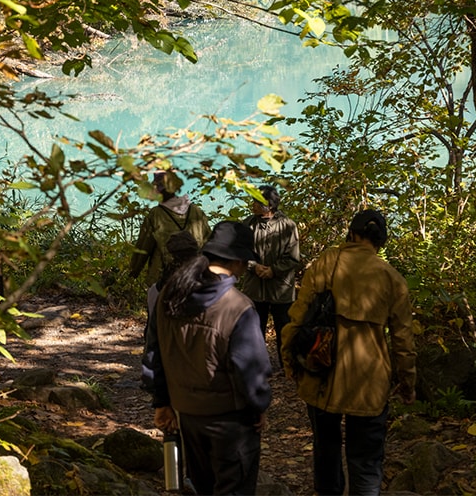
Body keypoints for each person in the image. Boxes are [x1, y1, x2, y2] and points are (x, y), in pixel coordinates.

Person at [281, 209, 417, 496]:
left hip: (321, 372)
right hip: (371, 379)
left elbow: (299, 314)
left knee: (326, 448)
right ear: (380, 242)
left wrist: (290, 361)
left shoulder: (326, 262)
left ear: (352, 233)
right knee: (366, 459)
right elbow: (403, 340)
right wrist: (407, 383)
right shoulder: (392, 278)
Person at [142, 221, 272, 496]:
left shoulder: (169, 293)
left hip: (187, 416)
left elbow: (154, 351)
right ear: (238, 261)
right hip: (231, 422)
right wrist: (258, 407)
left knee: (201, 488)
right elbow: (250, 372)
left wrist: (162, 402)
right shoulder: (238, 307)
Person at [240, 185, 301, 364]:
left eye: (257, 202)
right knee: (254, 328)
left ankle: (287, 364)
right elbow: (241, 252)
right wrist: (254, 266)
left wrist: (273, 270)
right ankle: (257, 364)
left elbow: (293, 258)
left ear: (268, 205)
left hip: (281, 289)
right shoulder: (248, 224)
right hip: (255, 288)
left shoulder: (288, 225)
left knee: (285, 328)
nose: (253, 205)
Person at [129, 170, 211, 286]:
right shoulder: (196, 211)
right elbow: (208, 243)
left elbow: (143, 248)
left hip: (162, 278)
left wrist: (132, 273)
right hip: (194, 275)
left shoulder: (156, 214)